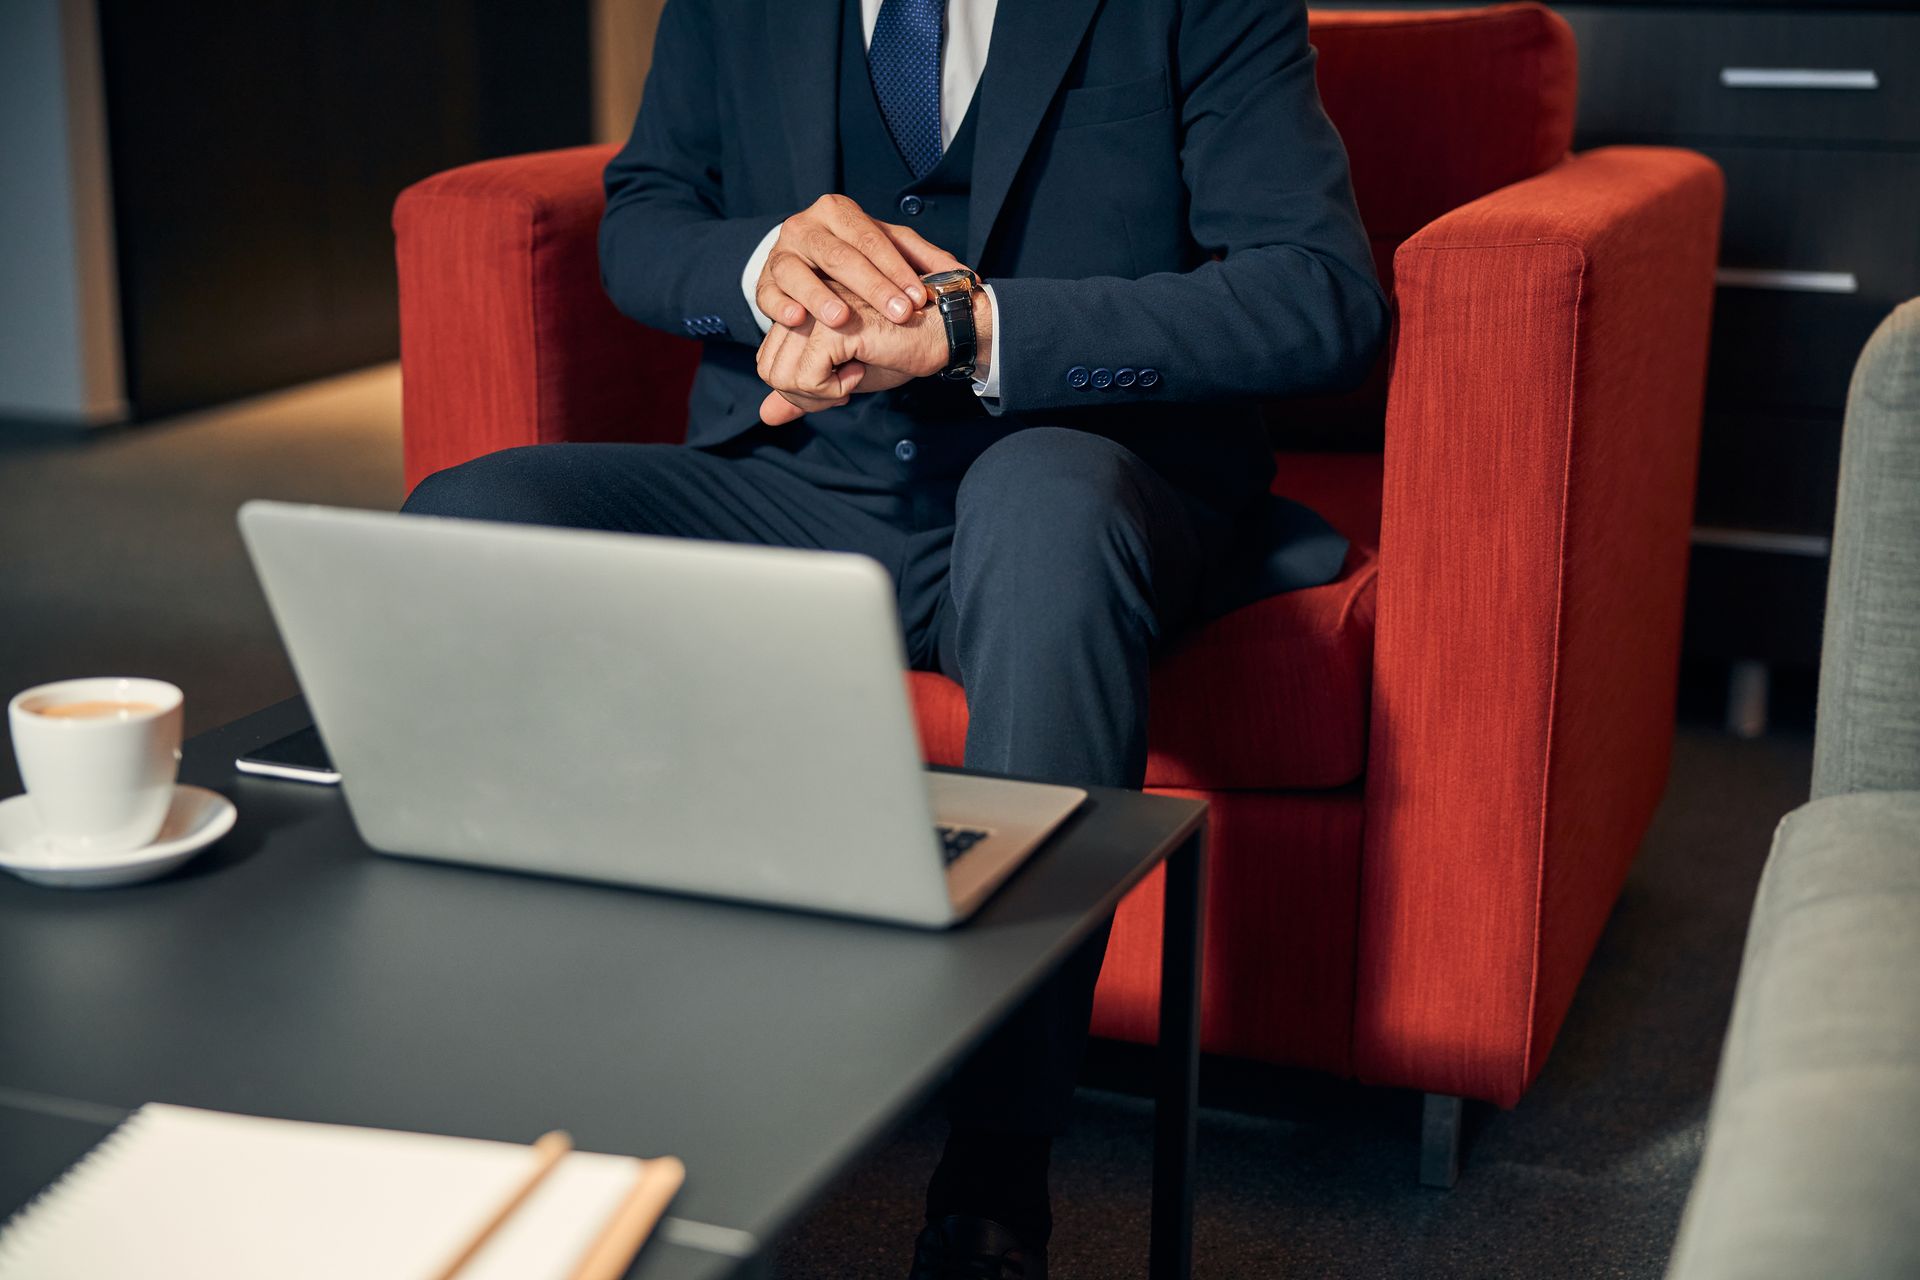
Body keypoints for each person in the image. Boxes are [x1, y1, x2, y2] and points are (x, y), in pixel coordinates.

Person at [403, 0, 1387, 1274]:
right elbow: (646, 210)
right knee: (463, 521)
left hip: (1081, 475)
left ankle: (993, 1193)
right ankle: (541, 1114)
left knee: (1045, 519)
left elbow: (1319, 294)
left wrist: (978, 328)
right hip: (809, 485)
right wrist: (764, 271)